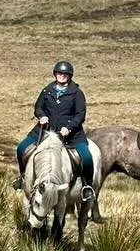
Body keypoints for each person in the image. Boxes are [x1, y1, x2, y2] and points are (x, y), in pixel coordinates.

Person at [14, 60, 93, 198]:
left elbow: (80, 114)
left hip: (71, 135)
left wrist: (69, 127)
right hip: (44, 131)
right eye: (59, 73)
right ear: (55, 74)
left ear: (70, 76)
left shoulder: (77, 93)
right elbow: (38, 107)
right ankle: (23, 178)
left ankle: (87, 186)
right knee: (21, 148)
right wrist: (41, 116)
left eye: (65, 74)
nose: (61, 75)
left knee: (86, 157)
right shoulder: (47, 90)